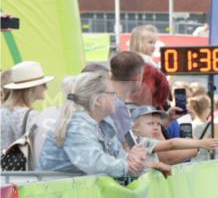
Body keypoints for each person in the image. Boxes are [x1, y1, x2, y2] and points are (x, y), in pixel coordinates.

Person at [38, 72, 166, 178]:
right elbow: (95, 163)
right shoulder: (77, 124)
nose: (117, 98)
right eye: (112, 94)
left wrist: (140, 162)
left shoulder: (105, 124)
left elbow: (119, 157)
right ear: (98, 100)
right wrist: (131, 166)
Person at [1, 61, 53, 170]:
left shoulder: (2, 111)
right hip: (24, 178)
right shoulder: (32, 116)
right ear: (32, 88)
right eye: (43, 84)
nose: (46, 88)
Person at [130, 105, 218, 162]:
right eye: (150, 123)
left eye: (158, 124)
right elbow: (171, 148)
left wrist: (168, 119)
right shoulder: (141, 142)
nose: (156, 127)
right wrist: (199, 145)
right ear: (135, 127)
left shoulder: (149, 139)